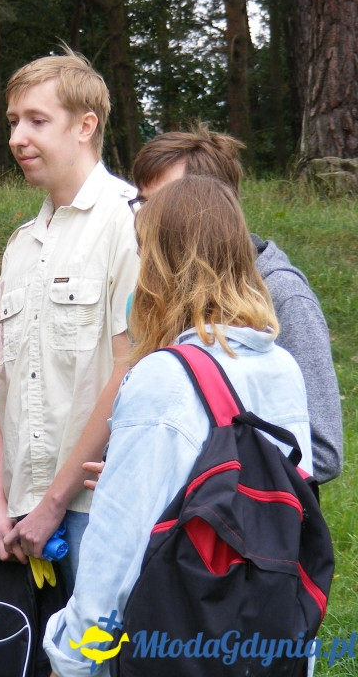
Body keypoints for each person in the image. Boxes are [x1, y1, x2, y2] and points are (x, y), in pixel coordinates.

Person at [42, 174, 313, 677]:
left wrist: (73, 657)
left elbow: (115, 555)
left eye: (144, 251)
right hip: (266, 638)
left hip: (172, 641)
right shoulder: (281, 368)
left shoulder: (162, 377)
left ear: (161, 264)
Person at [0, 48, 140, 591]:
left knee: (103, 663)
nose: (16, 138)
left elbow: (130, 371)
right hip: (22, 517)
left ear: (85, 126)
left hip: (100, 507)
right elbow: (6, 381)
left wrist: (54, 504)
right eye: (13, 122)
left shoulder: (132, 223)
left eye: (36, 121)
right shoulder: (22, 245)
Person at [129, 124, 342, 484]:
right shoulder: (160, 290)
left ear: (216, 205)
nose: (145, 220)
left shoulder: (282, 295)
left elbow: (322, 452)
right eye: (143, 203)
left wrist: (188, 480)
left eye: (165, 203)